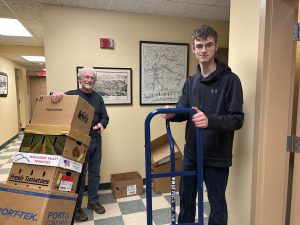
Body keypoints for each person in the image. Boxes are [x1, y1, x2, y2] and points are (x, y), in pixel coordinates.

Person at [162, 25, 244, 225]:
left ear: (216, 46)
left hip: (217, 157)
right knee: (187, 200)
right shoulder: (190, 82)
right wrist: (173, 113)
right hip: (192, 154)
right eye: (199, 46)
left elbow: (237, 119)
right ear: (193, 49)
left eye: (208, 45)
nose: (203, 50)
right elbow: (184, 112)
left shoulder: (231, 81)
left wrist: (210, 121)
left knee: (217, 204)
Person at [51, 66, 109, 222]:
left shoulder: (98, 98)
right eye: (86, 77)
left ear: (94, 81)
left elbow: (105, 117)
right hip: (78, 141)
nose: (89, 80)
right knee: (78, 175)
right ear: (80, 79)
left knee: (95, 172)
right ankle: (76, 208)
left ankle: (93, 201)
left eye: (92, 78)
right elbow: (56, 99)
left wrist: (102, 125)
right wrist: (56, 94)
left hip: (95, 139)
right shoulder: (72, 95)